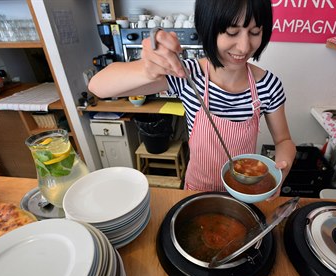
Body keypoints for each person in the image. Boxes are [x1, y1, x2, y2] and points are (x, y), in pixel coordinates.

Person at [88, 0, 296, 195]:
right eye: (232, 32)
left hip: (243, 191)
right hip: (197, 189)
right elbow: (98, 87)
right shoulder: (187, 74)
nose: (244, 47)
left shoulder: (268, 86)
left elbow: (284, 140)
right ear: (208, 28)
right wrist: (147, 70)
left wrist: (281, 170)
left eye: (254, 32)